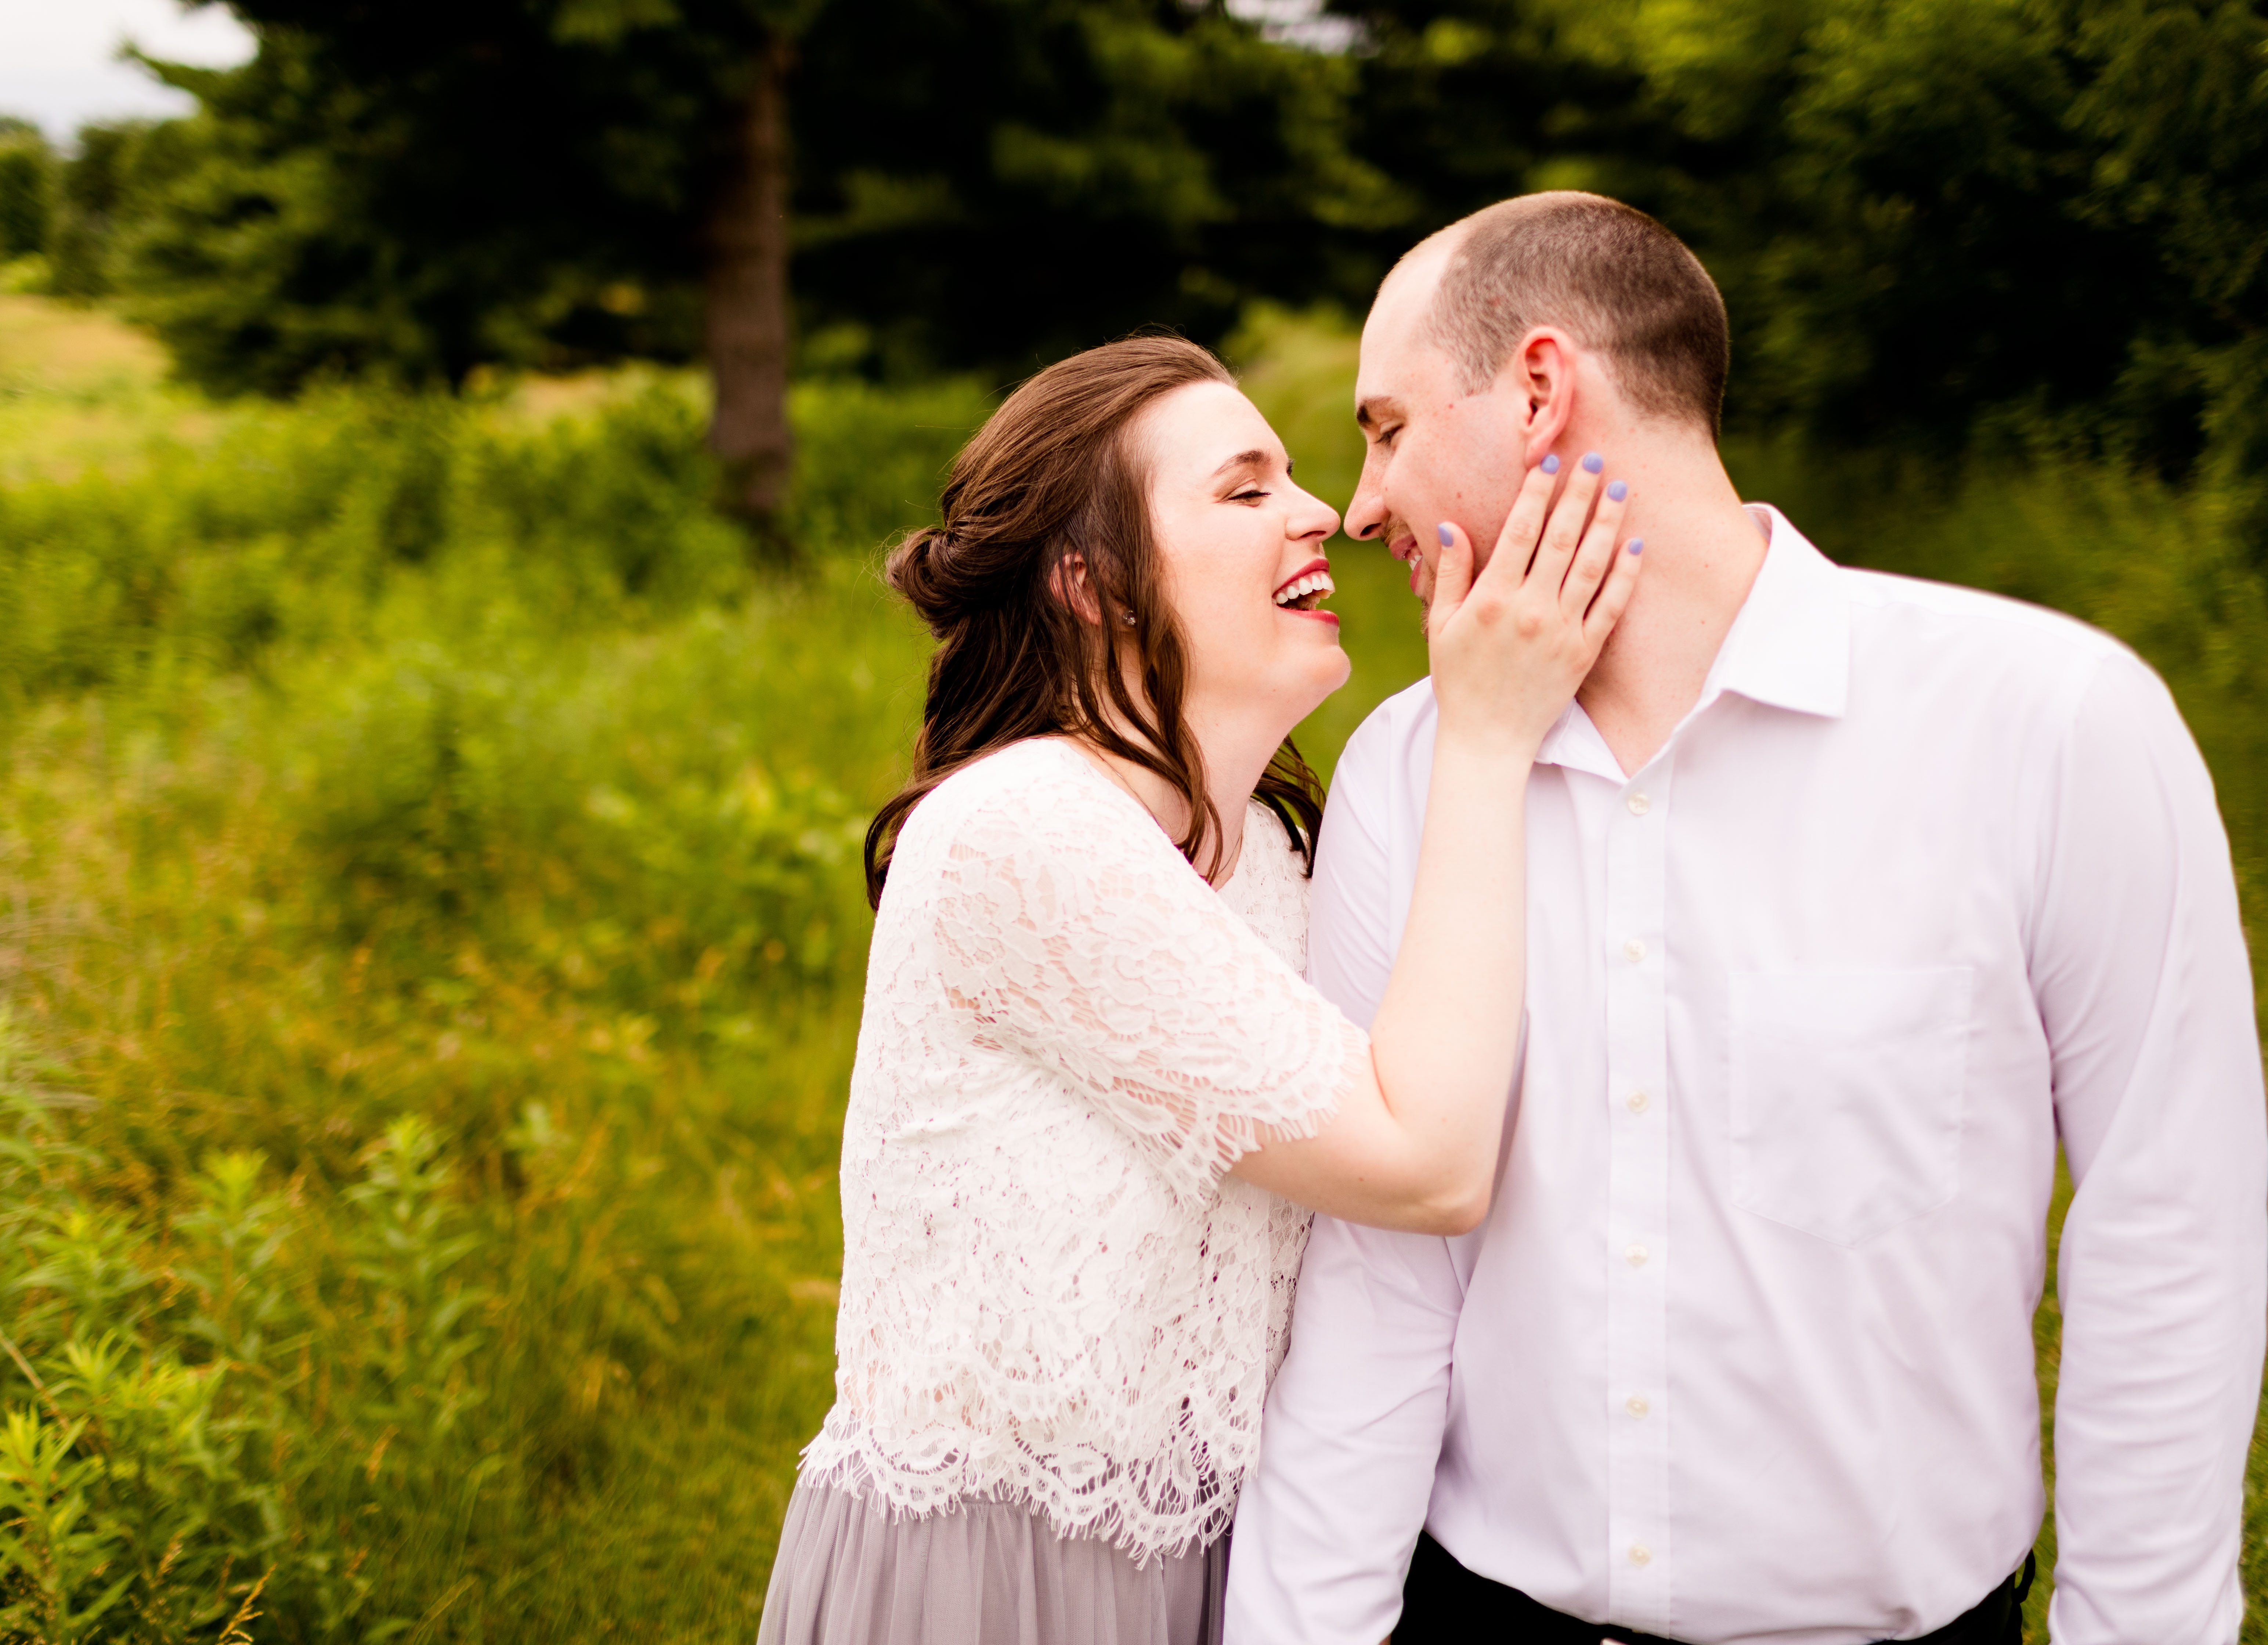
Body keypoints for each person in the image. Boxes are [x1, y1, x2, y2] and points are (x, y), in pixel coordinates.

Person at [1225, 191, 2268, 1645]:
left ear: (1539, 391)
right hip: (1489, 1614)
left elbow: (2172, 1231)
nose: (1361, 502)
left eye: (1388, 427)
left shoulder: (2054, 724)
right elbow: (1381, 1268)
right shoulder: (1414, 767)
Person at [756, 334, 1643, 1645]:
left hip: (1243, 1566)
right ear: (1093, 581)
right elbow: (1427, 1165)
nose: (1326, 515)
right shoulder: (1021, 832)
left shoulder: (1276, 854)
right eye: (1245, 490)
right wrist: (1489, 735)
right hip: (1007, 1586)